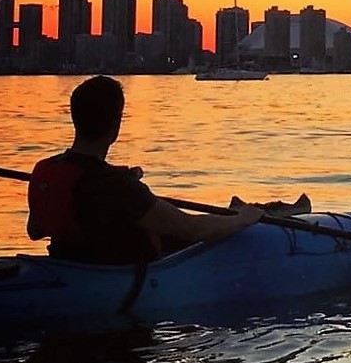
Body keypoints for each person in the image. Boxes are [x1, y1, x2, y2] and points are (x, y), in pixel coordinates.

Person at [27, 75, 262, 264]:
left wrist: (119, 184)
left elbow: (35, 230)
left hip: (66, 265)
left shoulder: (45, 169)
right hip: (113, 278)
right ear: (116, 122)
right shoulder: (116, 186)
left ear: (75, 118)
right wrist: (242, 219)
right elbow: (191, 229)